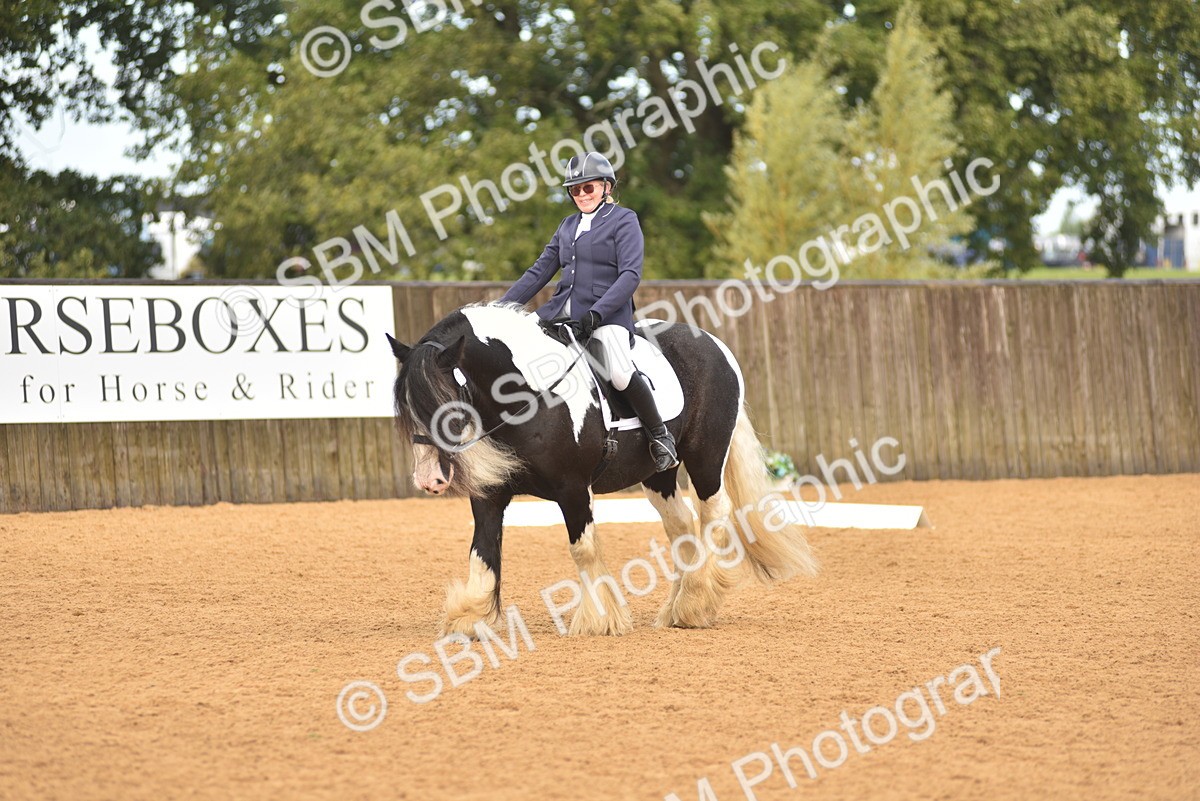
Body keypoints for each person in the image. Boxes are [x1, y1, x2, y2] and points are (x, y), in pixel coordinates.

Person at [499, 151, 679, 472]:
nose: (581, 195)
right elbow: (539, 272)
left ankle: (660, 434)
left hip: (606, 317)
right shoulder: (567, 227)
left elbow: (630, 275)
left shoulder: (624, 220)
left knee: (621, 372)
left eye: (588, 188)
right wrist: (501, 309)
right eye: (575, 190)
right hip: (557, 314)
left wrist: (597, 313)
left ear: (606, 187)